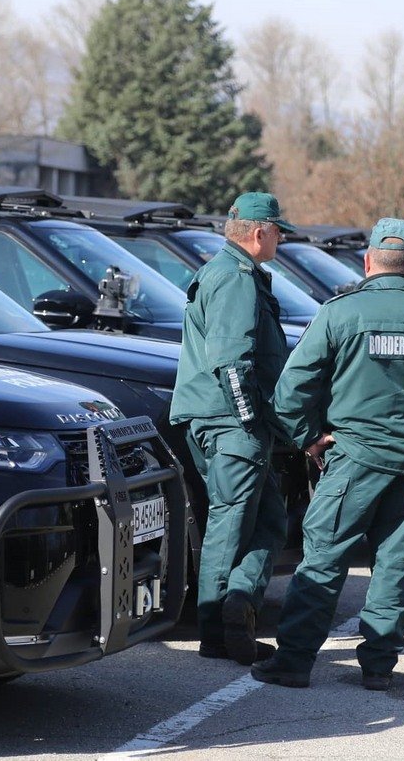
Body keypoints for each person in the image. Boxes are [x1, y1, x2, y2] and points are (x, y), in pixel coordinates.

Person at [251, 218, 404, 691]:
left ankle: (293, 661)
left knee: (325, 559)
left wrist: (308, 437)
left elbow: (291, 391)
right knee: (394, 564)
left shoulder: (339, 313)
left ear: (368, 261)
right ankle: (378, 666)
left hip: (354, 459)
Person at [169, 191, 293, 665]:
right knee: (231, 520)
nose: (280, 239)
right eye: (278, 231)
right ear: (259, 233)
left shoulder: (230, 272)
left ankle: (236, 611)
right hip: (230, 422)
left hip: (222, 419)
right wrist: (250, 419)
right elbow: (232, 363)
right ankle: (218, 630)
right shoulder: (235, 278)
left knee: (266, 519)